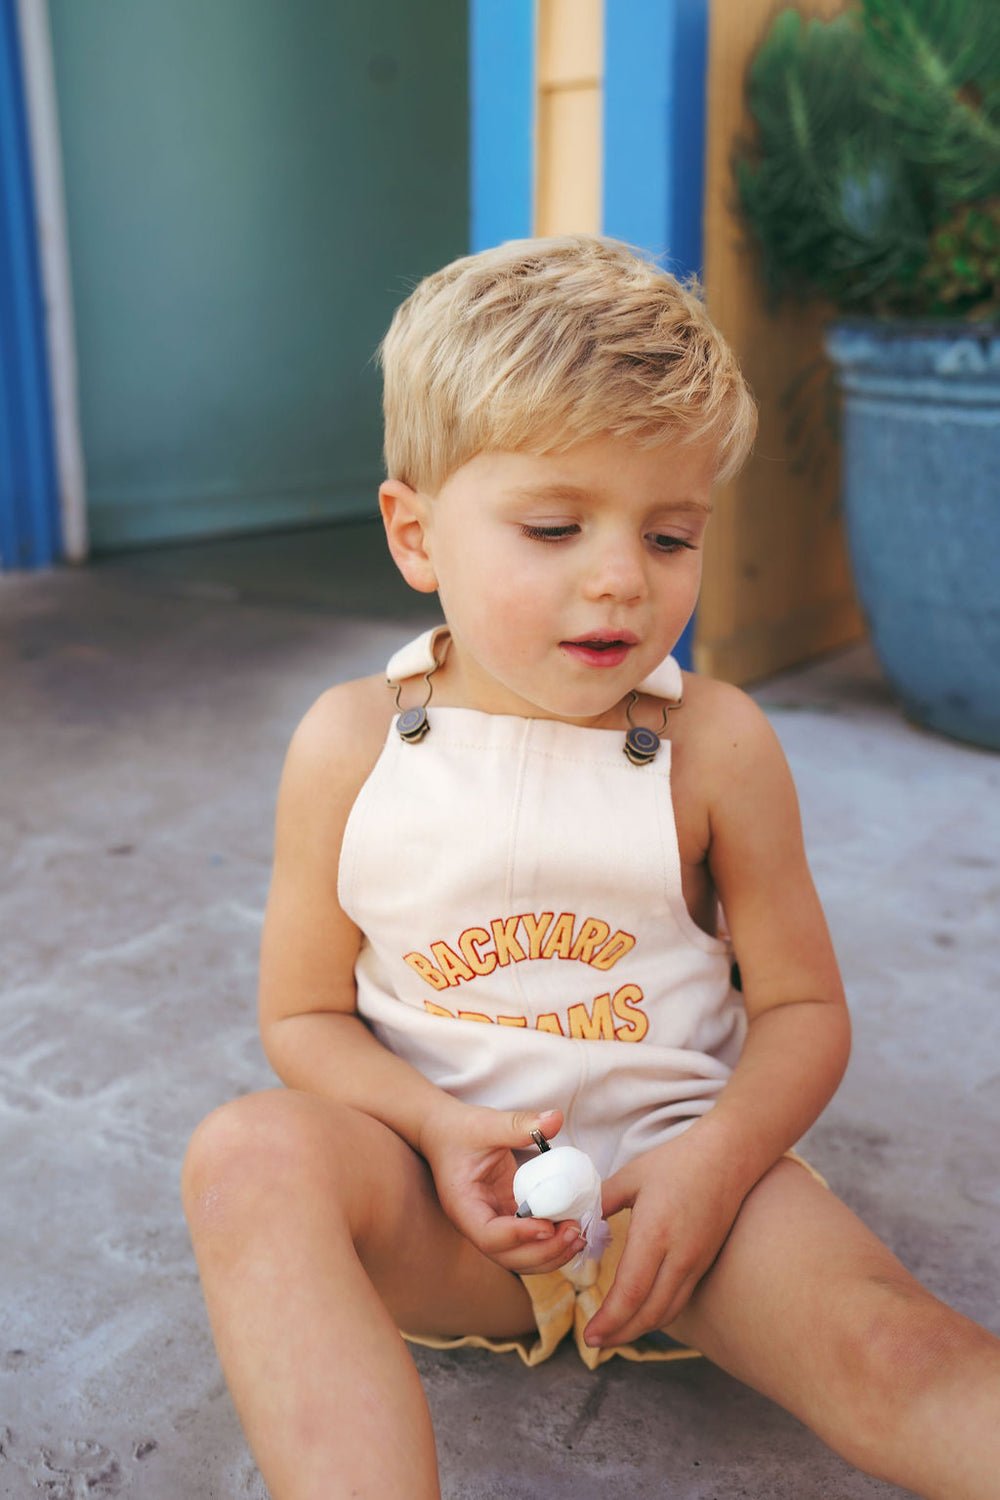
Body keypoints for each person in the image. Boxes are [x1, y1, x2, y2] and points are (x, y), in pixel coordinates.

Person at [182, 235, 1000, 1500]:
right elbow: (301, 1017)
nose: (620, 577)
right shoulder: (348, 746)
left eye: (670, 536)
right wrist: (434, 1128)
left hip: (687, 1194)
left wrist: (716, 1165)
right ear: (415, 533)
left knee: (895, 1350)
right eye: (554, 526)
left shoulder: (714, 745)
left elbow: (801, 1008)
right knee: (245, 1155)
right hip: (445, 1208)